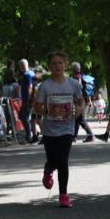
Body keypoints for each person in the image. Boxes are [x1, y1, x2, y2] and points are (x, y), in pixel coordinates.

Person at [33, 51, 84, 208]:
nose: (57, 66)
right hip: (49, 130)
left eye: (60, 63)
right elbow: (37, 107)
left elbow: (81, 102)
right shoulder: (45, 86)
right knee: (53, 161)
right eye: (54, 63)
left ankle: (63, 195)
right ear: (49, 66)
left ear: (65, 65)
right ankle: (48, 169)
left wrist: (79, 109)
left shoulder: (73, 84)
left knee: (63, 161)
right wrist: (49, 111)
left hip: (67, 128)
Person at [69, 62, 95, 142]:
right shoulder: (83, 76)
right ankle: (74, 137)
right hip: (84, 99)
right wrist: (89, 100)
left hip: (80, 100)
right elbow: (86, 90)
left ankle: (90, 135)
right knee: (77, 118)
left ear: (73, 69)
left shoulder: (75, 78)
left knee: (80, 118)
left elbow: (76, 90)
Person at [17, 59, 39, 143]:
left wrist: (29, 99)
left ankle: (28, 136)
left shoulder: (27, 75)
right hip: (31, 99)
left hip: (27, 99)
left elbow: (30, 86)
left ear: (21, 66)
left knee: (24, 116)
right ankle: (34, 132)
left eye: (20, 66)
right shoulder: (32, 73)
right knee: (28, 117)